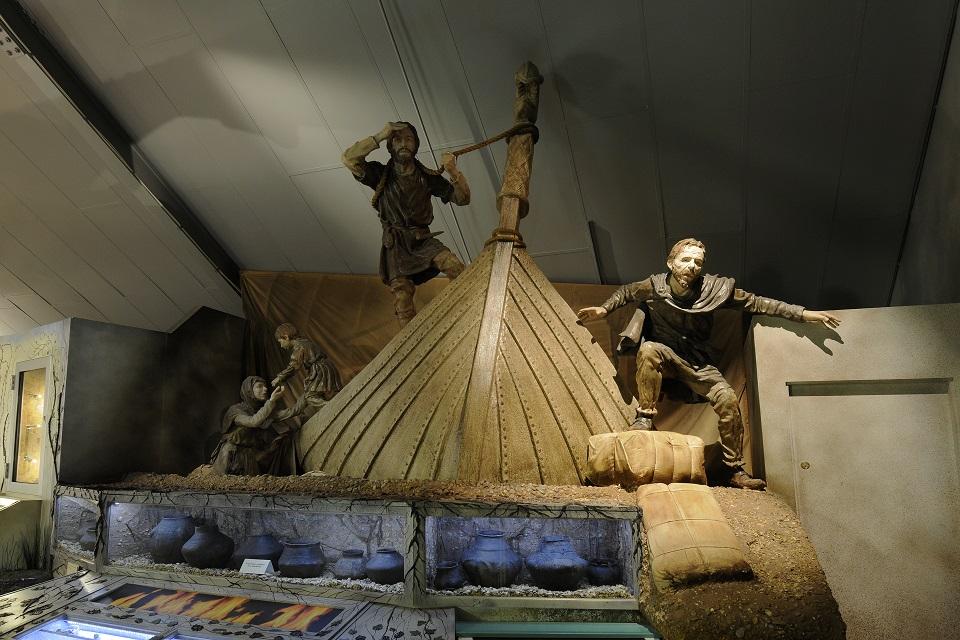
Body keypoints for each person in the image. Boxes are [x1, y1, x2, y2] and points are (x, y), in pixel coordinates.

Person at [577, 238, 840, 490]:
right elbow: (626, 292)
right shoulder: (653, 286)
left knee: (727, 399)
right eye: (686, 259)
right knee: (648, 350)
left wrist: (803, 314)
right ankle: (644, 417)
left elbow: (757, 303)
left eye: (698, 262)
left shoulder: (714, 290)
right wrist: (604, 309)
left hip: (699, 363)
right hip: (666, 355)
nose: (692, 266)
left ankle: (734, 470)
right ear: (671, 263)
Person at [342, 121, 471, 325]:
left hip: (423, 240)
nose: (404, 143)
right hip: (396, 245)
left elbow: (462, 199)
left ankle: (466, 319)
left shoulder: (427, 177)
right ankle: (410, 348)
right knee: (402, 300)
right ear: (390, 145)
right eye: (397, 139)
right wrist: (380, 135)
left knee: (455, 266)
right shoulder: (379, 174)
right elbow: (349, 159)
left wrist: (453, 172)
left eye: (409, 139)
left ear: (416, 145)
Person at [211, 376, 291, 476]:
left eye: (265, 386)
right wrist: (271, 401)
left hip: (249, 458)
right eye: (259, 386)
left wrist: (307, 396)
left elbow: (292, 412)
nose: (265, 389)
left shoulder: (261, 411)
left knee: (250, 488)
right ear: (249, 391)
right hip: (230, 456)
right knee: (225, 487)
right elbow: (253, 421)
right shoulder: (235, 410)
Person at [271, 323, 342, 421]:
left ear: (286, 337)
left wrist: (280, 377)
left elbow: (293, 366)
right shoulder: (305, 342)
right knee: (317, 394)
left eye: (280, 342)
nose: (281, 346)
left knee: (310, 396)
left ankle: (334, 407)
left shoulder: (299, 347)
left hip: (320, 369)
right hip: (326, 367)